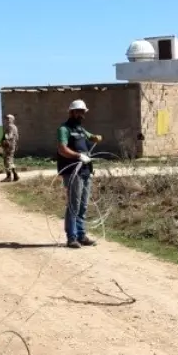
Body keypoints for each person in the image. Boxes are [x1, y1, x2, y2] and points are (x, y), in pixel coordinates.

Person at [56, 99, 103, 249]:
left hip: (85, 170)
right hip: (72, 172)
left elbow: (90, 137)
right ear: (71, 112)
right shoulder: (64, 129)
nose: (82, 115)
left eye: (83, 112)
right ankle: (72, 237)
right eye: (79, 112)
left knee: (83, 205)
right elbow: (62, 149)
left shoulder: (81, 129)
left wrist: (95, 137)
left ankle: (81, 235)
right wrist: (78, 156)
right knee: (73, 205)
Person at [0, 114, 19, 182]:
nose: (7, 120)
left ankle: (9, 177)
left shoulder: (10, 127)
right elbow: (17, 137)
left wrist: (6, 139)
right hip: (12, 145)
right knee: (10, 160)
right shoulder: (15, 127)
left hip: (8, 146)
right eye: (6, 118)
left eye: (9, 118)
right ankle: (15, 175)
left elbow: (10, 135)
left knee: (6, 161)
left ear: (12, 119)